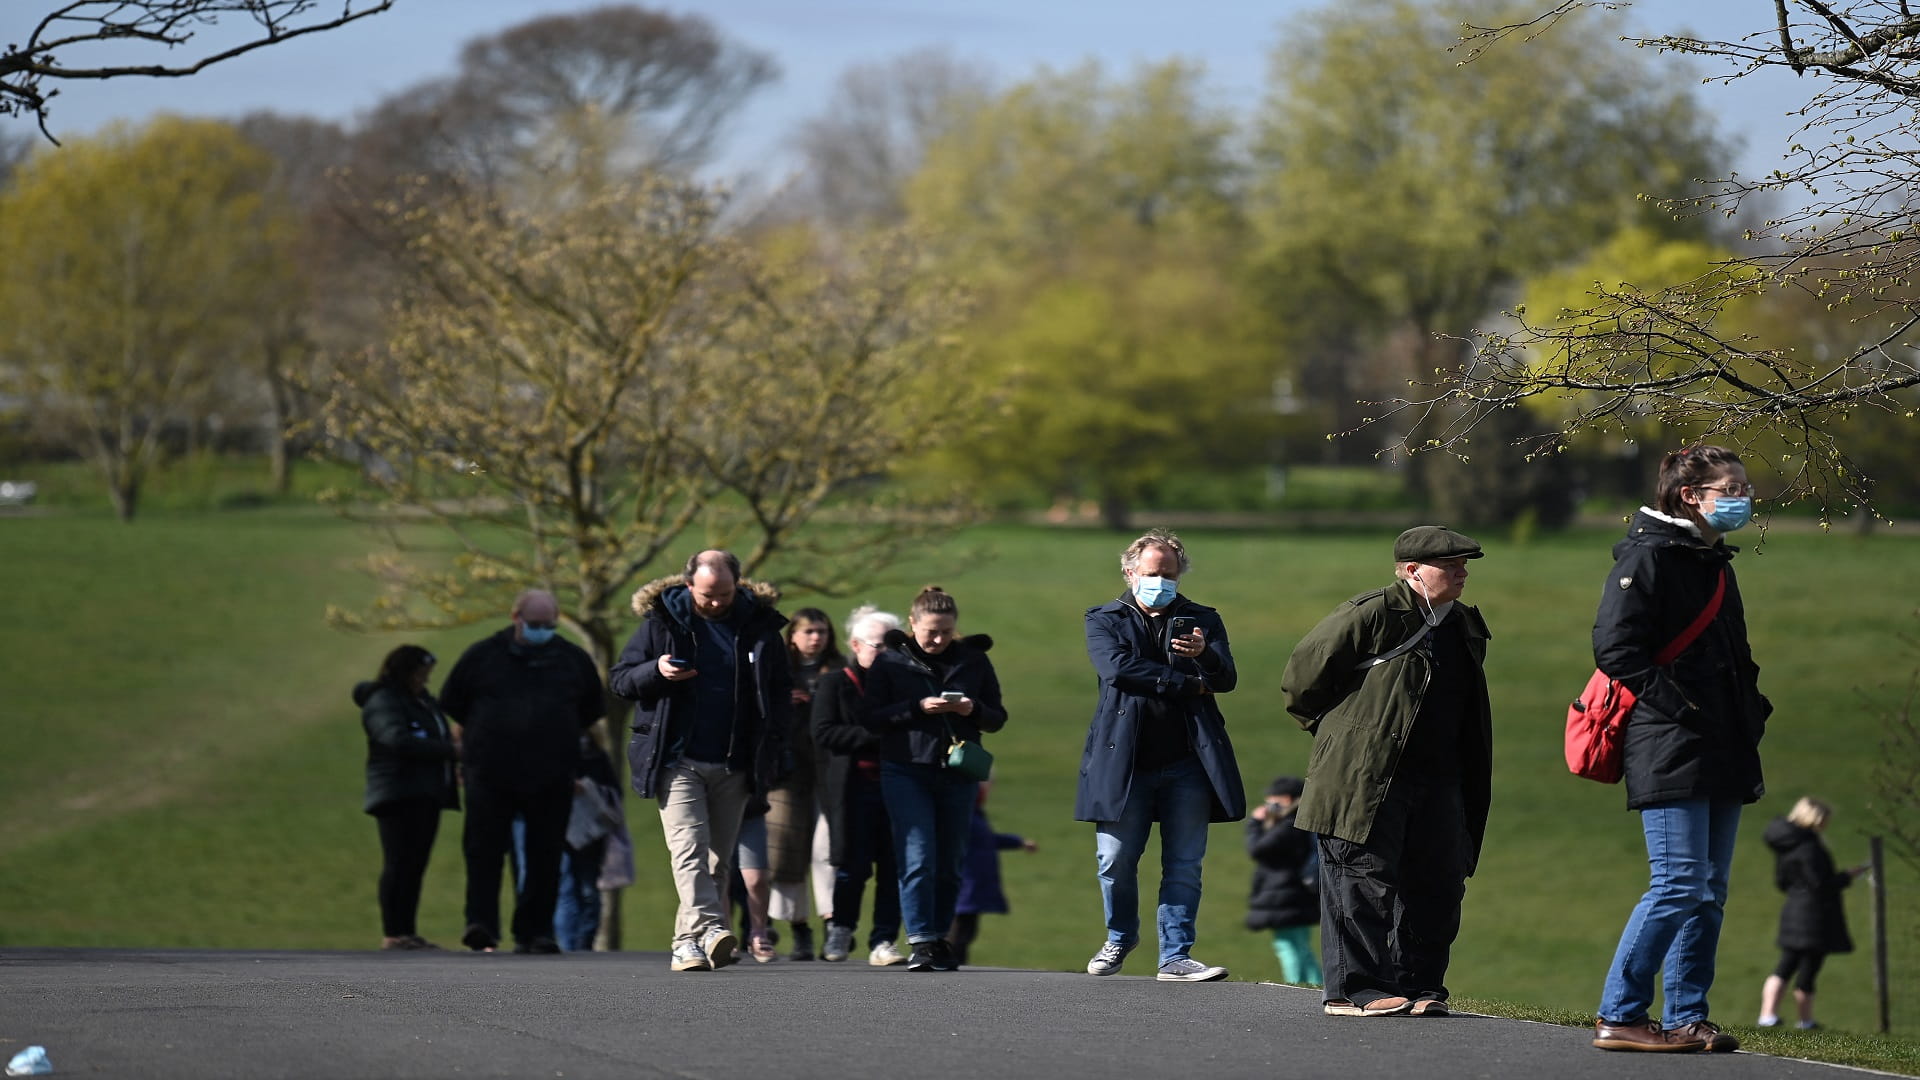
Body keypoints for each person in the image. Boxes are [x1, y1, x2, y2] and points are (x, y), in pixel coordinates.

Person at [1590, 445, 1770, 1054]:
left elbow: (1731, 654)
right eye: (1732, 488)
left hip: (1723, 743)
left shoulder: (1712, 561)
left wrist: (1751, 712)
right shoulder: (1649, 557)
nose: (1744, 498)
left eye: (1745, 488)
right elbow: (1616, 649)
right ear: (1691, 496)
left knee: (1709, 891)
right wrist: (1682, 707)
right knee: (1679, 883)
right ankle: (1620, 1014)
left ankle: (1688, 1016)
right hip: (1670, 743)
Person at [1281, 525, 1493, 1017]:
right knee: (1363, 879)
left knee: (1438, 884)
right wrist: (1346, 738)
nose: (1462, 572)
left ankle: (1419, 986)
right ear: (1412, 571)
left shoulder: (1461, 623)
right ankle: (1356, 989)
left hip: (1441, 777)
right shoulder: (1371, 613)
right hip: (1365, 777)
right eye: (1451, 564)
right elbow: (1302, 681)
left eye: (1465, 564)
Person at [610, 550, 792, 973]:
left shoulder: (760, 627)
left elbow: (780, 692)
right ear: (688, 585)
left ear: (738, 585)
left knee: (716, 862)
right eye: (707, 595)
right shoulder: (661, 624)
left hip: (735, 763)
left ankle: (684, 944)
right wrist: (654, 670)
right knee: (689, 852)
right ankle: (710, 927)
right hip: (678, 760)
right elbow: (620, 680)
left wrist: (773, 743)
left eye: (724, 594)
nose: (715, 602)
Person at [1079, 529, 1244, 983]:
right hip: (1124, 761)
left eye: (1169, 575)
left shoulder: (1202, 619)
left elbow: (1226, 678)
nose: (1162, 583)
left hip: (1188, 760)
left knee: (1185, 863)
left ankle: (1175, 956)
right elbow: (1116, 669)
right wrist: (1187, 682)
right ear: (1131, 572)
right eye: (1154, 574)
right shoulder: (1104, 618)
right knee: (1113, 860)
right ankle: (1120, 936)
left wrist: (1205, 656)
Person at [439, 589, 606, 954]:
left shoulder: (571, 660)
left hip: (551, 773)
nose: (542, 631)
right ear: (516, 618)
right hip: (490, 772)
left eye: (549, 625)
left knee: (545, 855)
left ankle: (535, 931)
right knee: (483, 850)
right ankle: (481, 924)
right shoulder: (483, 656)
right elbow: (453, 701)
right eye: (535, 625)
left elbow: (592, 707)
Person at [862, 585, 1007, 972]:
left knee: (950, 860)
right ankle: (922, 940)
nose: (938, 639)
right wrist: (917, 707)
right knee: (919, 855)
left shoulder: (974, 662)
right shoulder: (890, 662)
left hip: (958, 772)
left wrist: (971, 707)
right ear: (912, 624)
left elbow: (997, 718)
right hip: (905, 768)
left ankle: (941, 937)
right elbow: (871, 718)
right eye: (930, 632)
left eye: (945, 631)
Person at [812, 605, 907, 966]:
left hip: (897, 786)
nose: (885, 653)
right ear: (855, 644)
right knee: (852, 864)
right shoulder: (834, 683)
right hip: (852, 788)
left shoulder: (901, 684)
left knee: (893, 866)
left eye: (892, 646)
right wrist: (878, 734)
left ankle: (884, 939)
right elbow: (822, 732)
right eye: (878, 645)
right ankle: (841, 929)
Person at [354, 644, 460, 951]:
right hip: (398, 793)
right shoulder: (384, 700)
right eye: (421, 674)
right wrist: (450, 752)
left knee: (415, 864)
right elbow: (396, 739)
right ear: (406, 672)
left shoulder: (422, 701)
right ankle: (393, 932)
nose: (425, 681)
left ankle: (407, 931)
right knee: (399, 862)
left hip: (425, 793)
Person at [768, 607, 841, 960]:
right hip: (787, 771)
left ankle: (832, 923)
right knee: (786, 851)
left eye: (822, 632)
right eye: (809, 631)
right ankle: (798, 928)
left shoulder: (841, 671)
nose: (816, 638)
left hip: (829, 772)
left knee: (827, 850)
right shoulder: (778, 672)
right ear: (792, 636)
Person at [1759, 797, 1864, 1030]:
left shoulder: (1786, 845)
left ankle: (1767, 1015)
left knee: (1786, 964)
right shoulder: (1810, 846)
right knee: (1809, 966)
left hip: (1793, 908)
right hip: (1815, 914)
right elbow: (1820, 884)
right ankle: (1805, 1021)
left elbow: (1781, 881)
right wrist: (1847, 876)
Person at [949, 777, 1036, 966]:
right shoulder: (962, 814)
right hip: (964, 886)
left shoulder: (975, 815)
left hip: (973, 887)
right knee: (958, 932)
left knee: (966, 932)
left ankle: (953, 969)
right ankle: (947, 969)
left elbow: (989, 840)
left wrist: (1018, 842)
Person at [1245, 775, 1321, 987]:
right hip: (1298, 893)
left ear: (1288, 799)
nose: (1269, 805)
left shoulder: (1287, 826)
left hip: (1283, 894)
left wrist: (1255, 823)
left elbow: (1257, 849)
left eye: (1274, 799)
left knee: (1286, 946)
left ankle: (1294, 986)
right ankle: (1317, 984)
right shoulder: (1303, 823)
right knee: (1301, 946)